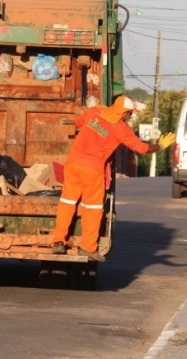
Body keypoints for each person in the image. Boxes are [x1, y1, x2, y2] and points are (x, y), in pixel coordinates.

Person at [51, 95, 163, 262]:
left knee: (67, 202)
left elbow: (78, 123)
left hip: (73, 164)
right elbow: (141, 148)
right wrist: (160, 146)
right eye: (130, 114)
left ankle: (59, 241)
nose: (130, 117)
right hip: (92, 170)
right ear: (124, 113)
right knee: (93, 208)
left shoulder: (94, 112)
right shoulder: (121, 129)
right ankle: (88, 248)